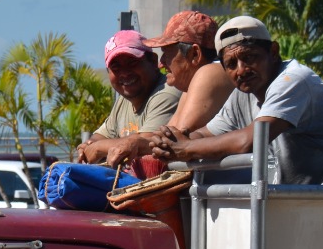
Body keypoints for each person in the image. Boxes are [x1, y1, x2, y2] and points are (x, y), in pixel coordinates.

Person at [151, 15, 323, 185]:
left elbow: (250, 140)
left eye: (249, 58)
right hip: (319, 208)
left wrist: (184, 148)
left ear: (273, 52)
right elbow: (206, 135)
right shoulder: (241, 95)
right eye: (231, 64)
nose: (241, 70)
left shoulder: (293, 80)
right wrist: (172, 142)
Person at [98, 11, 234, 176]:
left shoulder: (210, 72)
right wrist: (136, 142)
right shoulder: (190, 86)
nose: (161, 63)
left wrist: (133, 142)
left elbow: (171, 142)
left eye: (167, 54)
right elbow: (163, 138)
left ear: (195, 54)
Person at [75, 29, 180, 166]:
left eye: (132, 63)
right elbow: (101, 136)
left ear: (153, 62)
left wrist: (98, 148)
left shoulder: (166, 93)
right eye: (116, 67)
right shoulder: (124, 99)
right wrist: (88, 145)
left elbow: (145, 143)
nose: (124, 73)